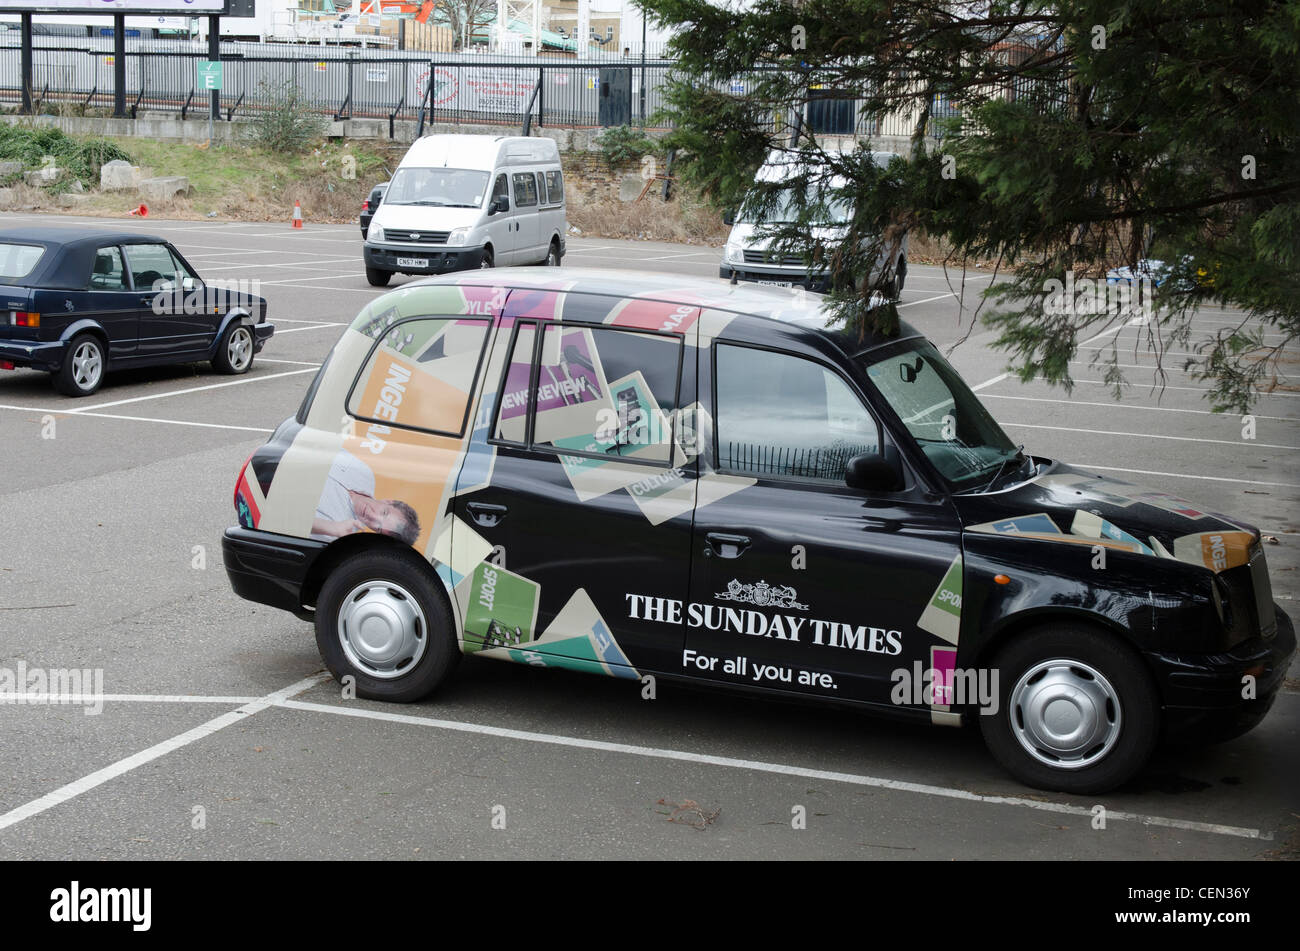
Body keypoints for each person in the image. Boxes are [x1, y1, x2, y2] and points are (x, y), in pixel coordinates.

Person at [310, 449, 420, 546]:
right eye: (384, 513)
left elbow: (294, 523)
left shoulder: (336, 531)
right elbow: (327, 446)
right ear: (388, 502)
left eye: (378, 527)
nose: (371, 515)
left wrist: (331, 528)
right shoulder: (366, 474)